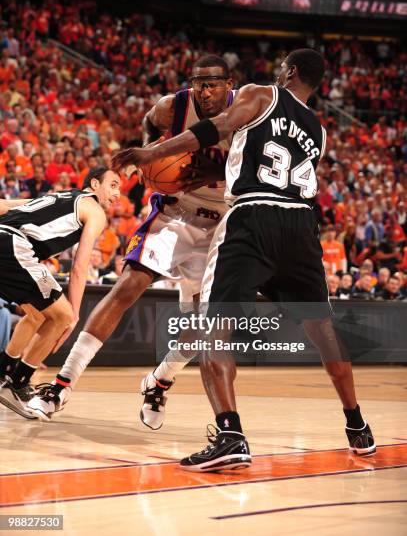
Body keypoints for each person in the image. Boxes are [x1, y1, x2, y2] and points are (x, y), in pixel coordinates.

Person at [113, 48, 376, 471]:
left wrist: (151, 155)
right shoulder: (319, 130)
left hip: (253, 216)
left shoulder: (261, 93)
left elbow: (218, 125)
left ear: (289, 71)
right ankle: (358, 427)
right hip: (301, 225)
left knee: (215, 324)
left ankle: (230, 434)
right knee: (323, 331)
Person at [27, 55, 235, 423]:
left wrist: (216, 168)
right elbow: (149, 123)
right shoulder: (175, 105)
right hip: (176, 212)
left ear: (229, 84)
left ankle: (159, 381)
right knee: (128, 285)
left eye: (213, 83)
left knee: (201, 327)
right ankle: (61, 385)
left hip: (220, 224)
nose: (204, 91)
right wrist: (150, 157)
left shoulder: (246, 114)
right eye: (198, 82)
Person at [0, 167, 121, 417]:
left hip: (5, 241)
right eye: (113, 185)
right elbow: (79, 266)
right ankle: (19, 381)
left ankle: (4, 373)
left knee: (36, 316)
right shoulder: (95, 211)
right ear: (95, 184)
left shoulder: (57, 196)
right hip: (12, 245)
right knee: (62, 316)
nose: (118, 193)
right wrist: (74, 314)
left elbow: (4, 205)